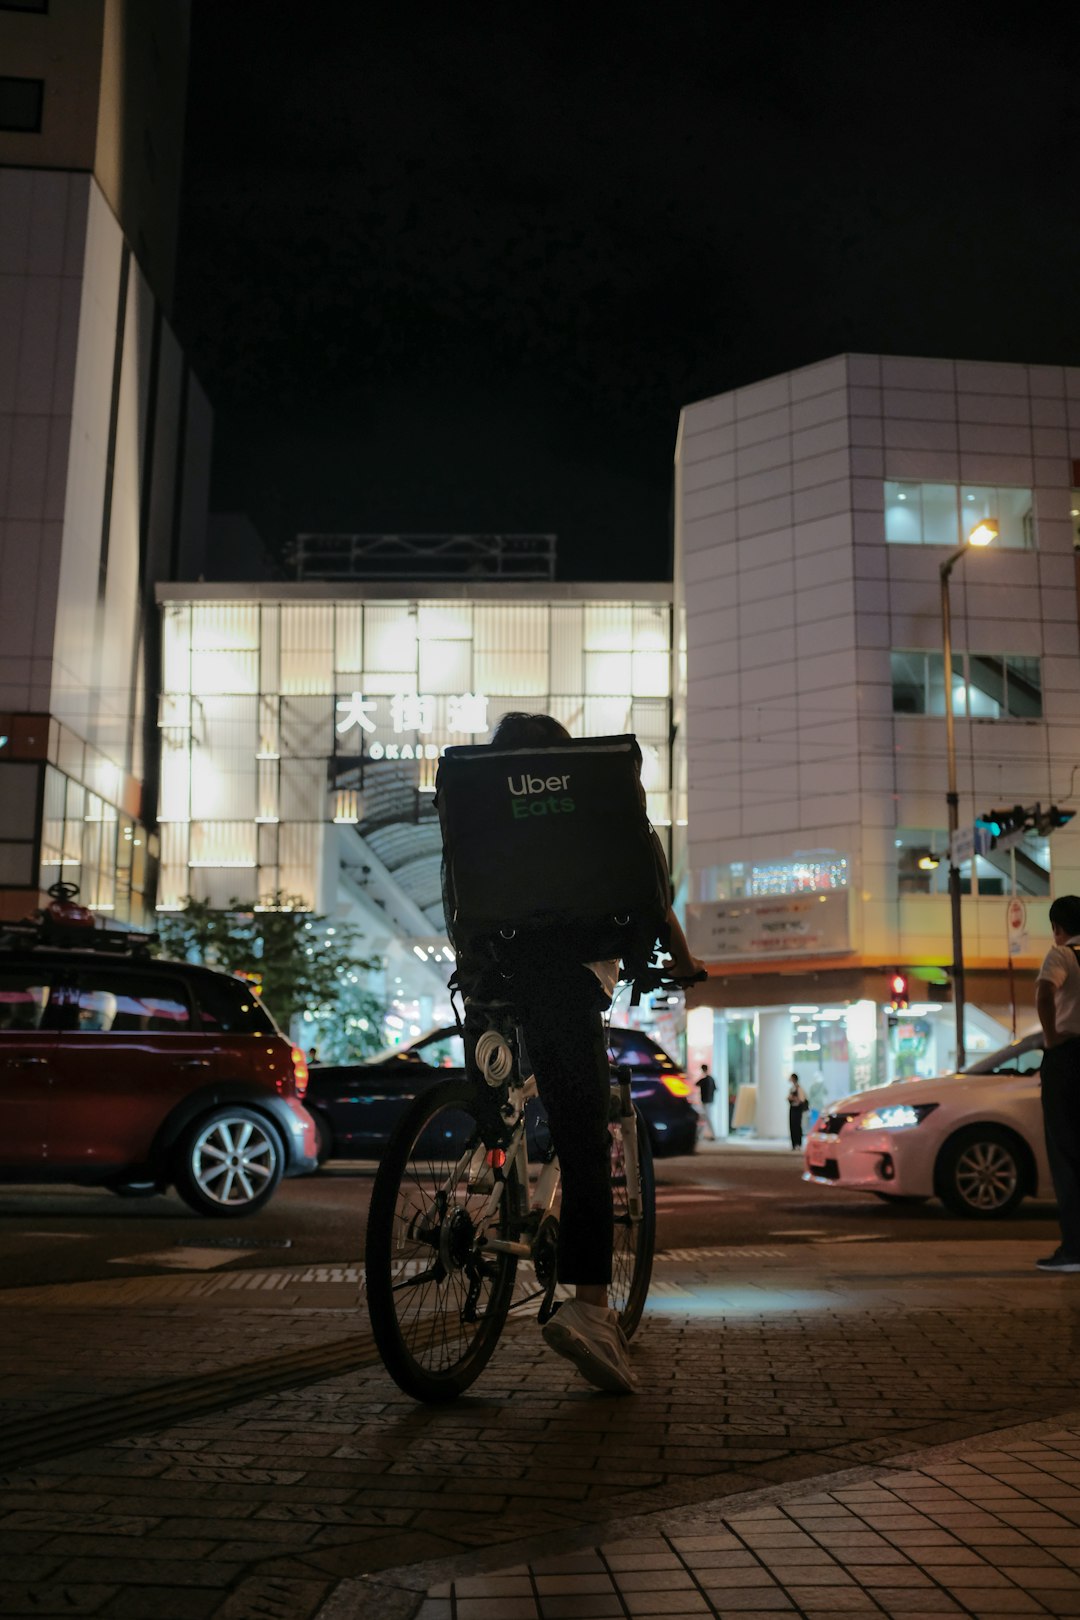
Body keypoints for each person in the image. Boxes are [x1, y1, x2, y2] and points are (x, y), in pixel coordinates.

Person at [469, 712, 703, 1394]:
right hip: (565, 980)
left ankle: (483, 1207)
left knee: (500, 1103)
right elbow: (649, 892)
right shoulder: (593, 803)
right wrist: (683, 962)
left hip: (489, 973)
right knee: (582, 1141)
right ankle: (593, 1311)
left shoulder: (480, 804)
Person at [1034, 895, 1080, 1273]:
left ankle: (1073, 1250)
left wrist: (1050, 1037)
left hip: (1068, 1059)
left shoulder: (1062, 954)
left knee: (1066, 1154)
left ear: (1057, 928)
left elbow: (1045, 992)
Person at [787, 1072, 809, 1150]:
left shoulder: (799, 1088)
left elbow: (802, 1099)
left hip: (797, 1109)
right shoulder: (792, 1088)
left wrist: (794, 1099)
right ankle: (794, 1144)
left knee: (797, 1126)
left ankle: (798, 1143)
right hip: (792, 1108)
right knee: (792, 1126)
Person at [696, 1064, 717, 1142]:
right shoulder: (711, 1079)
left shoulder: (704, 1079)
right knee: (705, 1117)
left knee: (706, 1118)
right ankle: (699, 1135)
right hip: (710, 1101)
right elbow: (715, 1089)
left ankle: (712, 1134)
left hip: (705, 1101)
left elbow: (696, 1084)